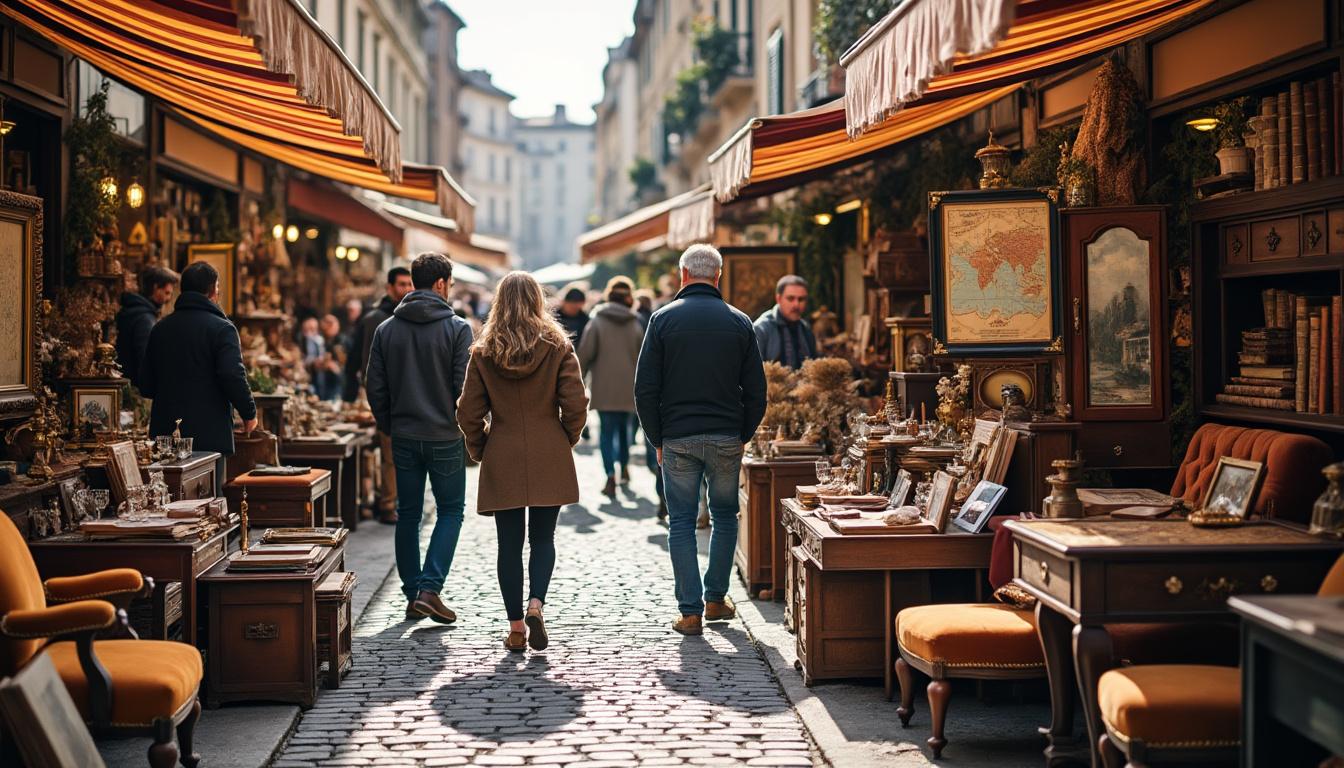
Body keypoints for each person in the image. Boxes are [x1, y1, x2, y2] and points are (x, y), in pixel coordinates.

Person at [634, 244, 766, 636]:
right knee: (725, 516)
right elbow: (757, 391)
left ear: (683, 275)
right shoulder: (741, 322)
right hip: (726, 435)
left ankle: (689, 612)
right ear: (718, 276)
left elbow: (645, 389)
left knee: (681, 522)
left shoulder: (661, 320)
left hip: (677, 437)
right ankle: (715, 599)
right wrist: (744, 433)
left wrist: (656, 437)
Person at [457, 272, 588, 653]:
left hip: (503, 448)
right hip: (549, 446)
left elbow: (468, 412)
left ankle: (516, 628)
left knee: (508, 545)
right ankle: (537, 605)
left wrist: (481, 447)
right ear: (537, 300)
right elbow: (576, 404)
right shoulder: (558, 345)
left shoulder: (483, 352)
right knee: (544, 538)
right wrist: (565, 438)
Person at [365, 253, 473, 626]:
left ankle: (413, 594)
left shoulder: (387, 329)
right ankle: (429, 589)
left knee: (407, 515)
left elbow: (374, 386)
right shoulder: (458, 328)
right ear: (441, 283)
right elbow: (464, 387)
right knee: (450, 511)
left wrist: (389, 425)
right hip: (444, 434)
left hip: (404, 434)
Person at [140, 261, 257, 494]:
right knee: (208, 509)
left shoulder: (160, 328)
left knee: (167, 501)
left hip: (166, 436)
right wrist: (249, 414)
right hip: (209, 435)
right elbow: (232, 374)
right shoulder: (223, 328)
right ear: (213, 291)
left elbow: (146, 385)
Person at [344, 266, 414, 524]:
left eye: (410, 284)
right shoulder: (376, 318)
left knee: (390, 455)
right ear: (389, 288)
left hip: (400, 398)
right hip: (383, 397)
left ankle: (384, 500)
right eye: (401, 284)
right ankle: (387, 504)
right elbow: (363, 362)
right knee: (389, 456)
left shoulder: (408, 316)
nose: (406, 289)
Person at [577, 276, 644, 499]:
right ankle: (624, 467)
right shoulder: (635, 323)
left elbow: (585, 355)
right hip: (629, 388)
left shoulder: (597, 321)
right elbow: (643, 357)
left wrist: (578, 381)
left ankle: (610, 475)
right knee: (625, 432)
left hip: (604, 387)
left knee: (606, 432)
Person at [116, 265, 178, 390]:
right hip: (135, 388)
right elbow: (146, 357)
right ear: (155, 287)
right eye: (166, 293)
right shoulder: (145, 319)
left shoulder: (135, 311)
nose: (168, 299)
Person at [753, 275, 817, 369]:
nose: (796, 305)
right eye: (791, 299)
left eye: (801, 299)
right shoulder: (761, 328)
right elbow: (753, 371)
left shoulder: (805, 328)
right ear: (778, 299)